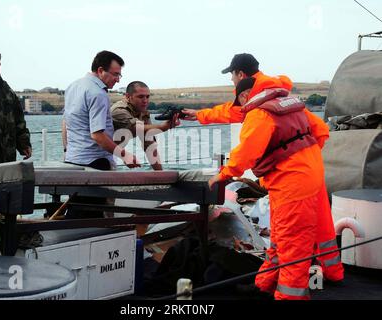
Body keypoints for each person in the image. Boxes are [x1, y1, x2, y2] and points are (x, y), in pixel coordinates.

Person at [184, 53, 343, 300]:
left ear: (241, 77)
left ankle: (289, 296)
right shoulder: (283, 98)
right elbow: (321, 131)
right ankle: (276, 280)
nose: (234, 92)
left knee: (292, 245)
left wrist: (223, 175)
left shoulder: (259, 113)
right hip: (311, 175)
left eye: (233, 80)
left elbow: (246, 152)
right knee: (297, 232)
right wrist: (305, 160)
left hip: (293, 184)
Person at [62, 50, 139, 219]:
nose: (118, 79)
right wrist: (124, 155)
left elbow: (65, 123)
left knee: (77, 211)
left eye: (120, 75)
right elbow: (97, 135)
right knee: (92, 218)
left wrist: (67, 150)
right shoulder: (98, 93)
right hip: (96, 162)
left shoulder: (73, 86)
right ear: (100, 70)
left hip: (72, 161)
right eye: (115, 74)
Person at [110, 81, 180, 171]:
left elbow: (149, 144)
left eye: (147, 96)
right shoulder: (119, 111)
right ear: (128, 97)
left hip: (111, 153)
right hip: (94, 154)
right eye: (140, 97)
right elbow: (136, 128)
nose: (145, 100)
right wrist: (164, 127)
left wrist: (160, 174)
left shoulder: (143, 112)